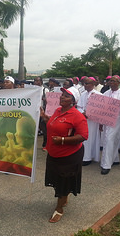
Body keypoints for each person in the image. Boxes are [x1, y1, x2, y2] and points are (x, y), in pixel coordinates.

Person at [40, 87, 88, 223]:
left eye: (66, 96)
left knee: (63, 181)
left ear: (73, 101)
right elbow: (54, 125)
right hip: (54, 153)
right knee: (56, 178)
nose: (62, 97)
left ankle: (59, 209)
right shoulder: (57, 111)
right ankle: (64, 197)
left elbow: (84, 135)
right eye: (62, 95)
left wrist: (63, 140)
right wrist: (44, 118)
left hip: (69, 155)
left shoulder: (77, 116)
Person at [100, 75, 120, 175]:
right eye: (110, 81)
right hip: (106, 121)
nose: (111, 83)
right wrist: (100, 122)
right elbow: (101, 108)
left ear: (118, 83)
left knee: (112, 140)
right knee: (109, 141)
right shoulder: (106, 93)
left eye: (113, 81)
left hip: (117, 121)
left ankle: (107, 164)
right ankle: (109, 162)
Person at [77, 77, 102, 165]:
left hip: (93, 121)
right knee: (84, 138)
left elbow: (101, 109)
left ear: (93, 84)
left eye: (87, 84)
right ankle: (84, 156)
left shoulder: (99, 95)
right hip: (83, 119)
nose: (85, 85)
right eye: (84, 83)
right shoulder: (83, 94)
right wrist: (82, 112)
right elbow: (79, 106)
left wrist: (91, 114)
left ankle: (89, 157)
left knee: (92, 138)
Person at [34, 76, 49, 151]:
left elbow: (49, 101)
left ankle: (45, 144)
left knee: (45, 129)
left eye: (38, 81)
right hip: (34, 112)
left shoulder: (45, 90)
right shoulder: (32, 90)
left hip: (42, 113)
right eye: (35, 81)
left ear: (41, 82)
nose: (36, 82)